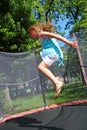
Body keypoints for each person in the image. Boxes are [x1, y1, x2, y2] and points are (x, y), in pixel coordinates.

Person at [28, 21, 77, 97]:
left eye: (31, 34)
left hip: (52, 54)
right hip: (51, 54)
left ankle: (57, 82)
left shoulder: (42, 33)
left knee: (40, 67)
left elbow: (55, 36)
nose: (32, 36)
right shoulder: (41, 36)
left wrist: (68, 42)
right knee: (44, 69)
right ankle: (57, 81)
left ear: (35, 30)